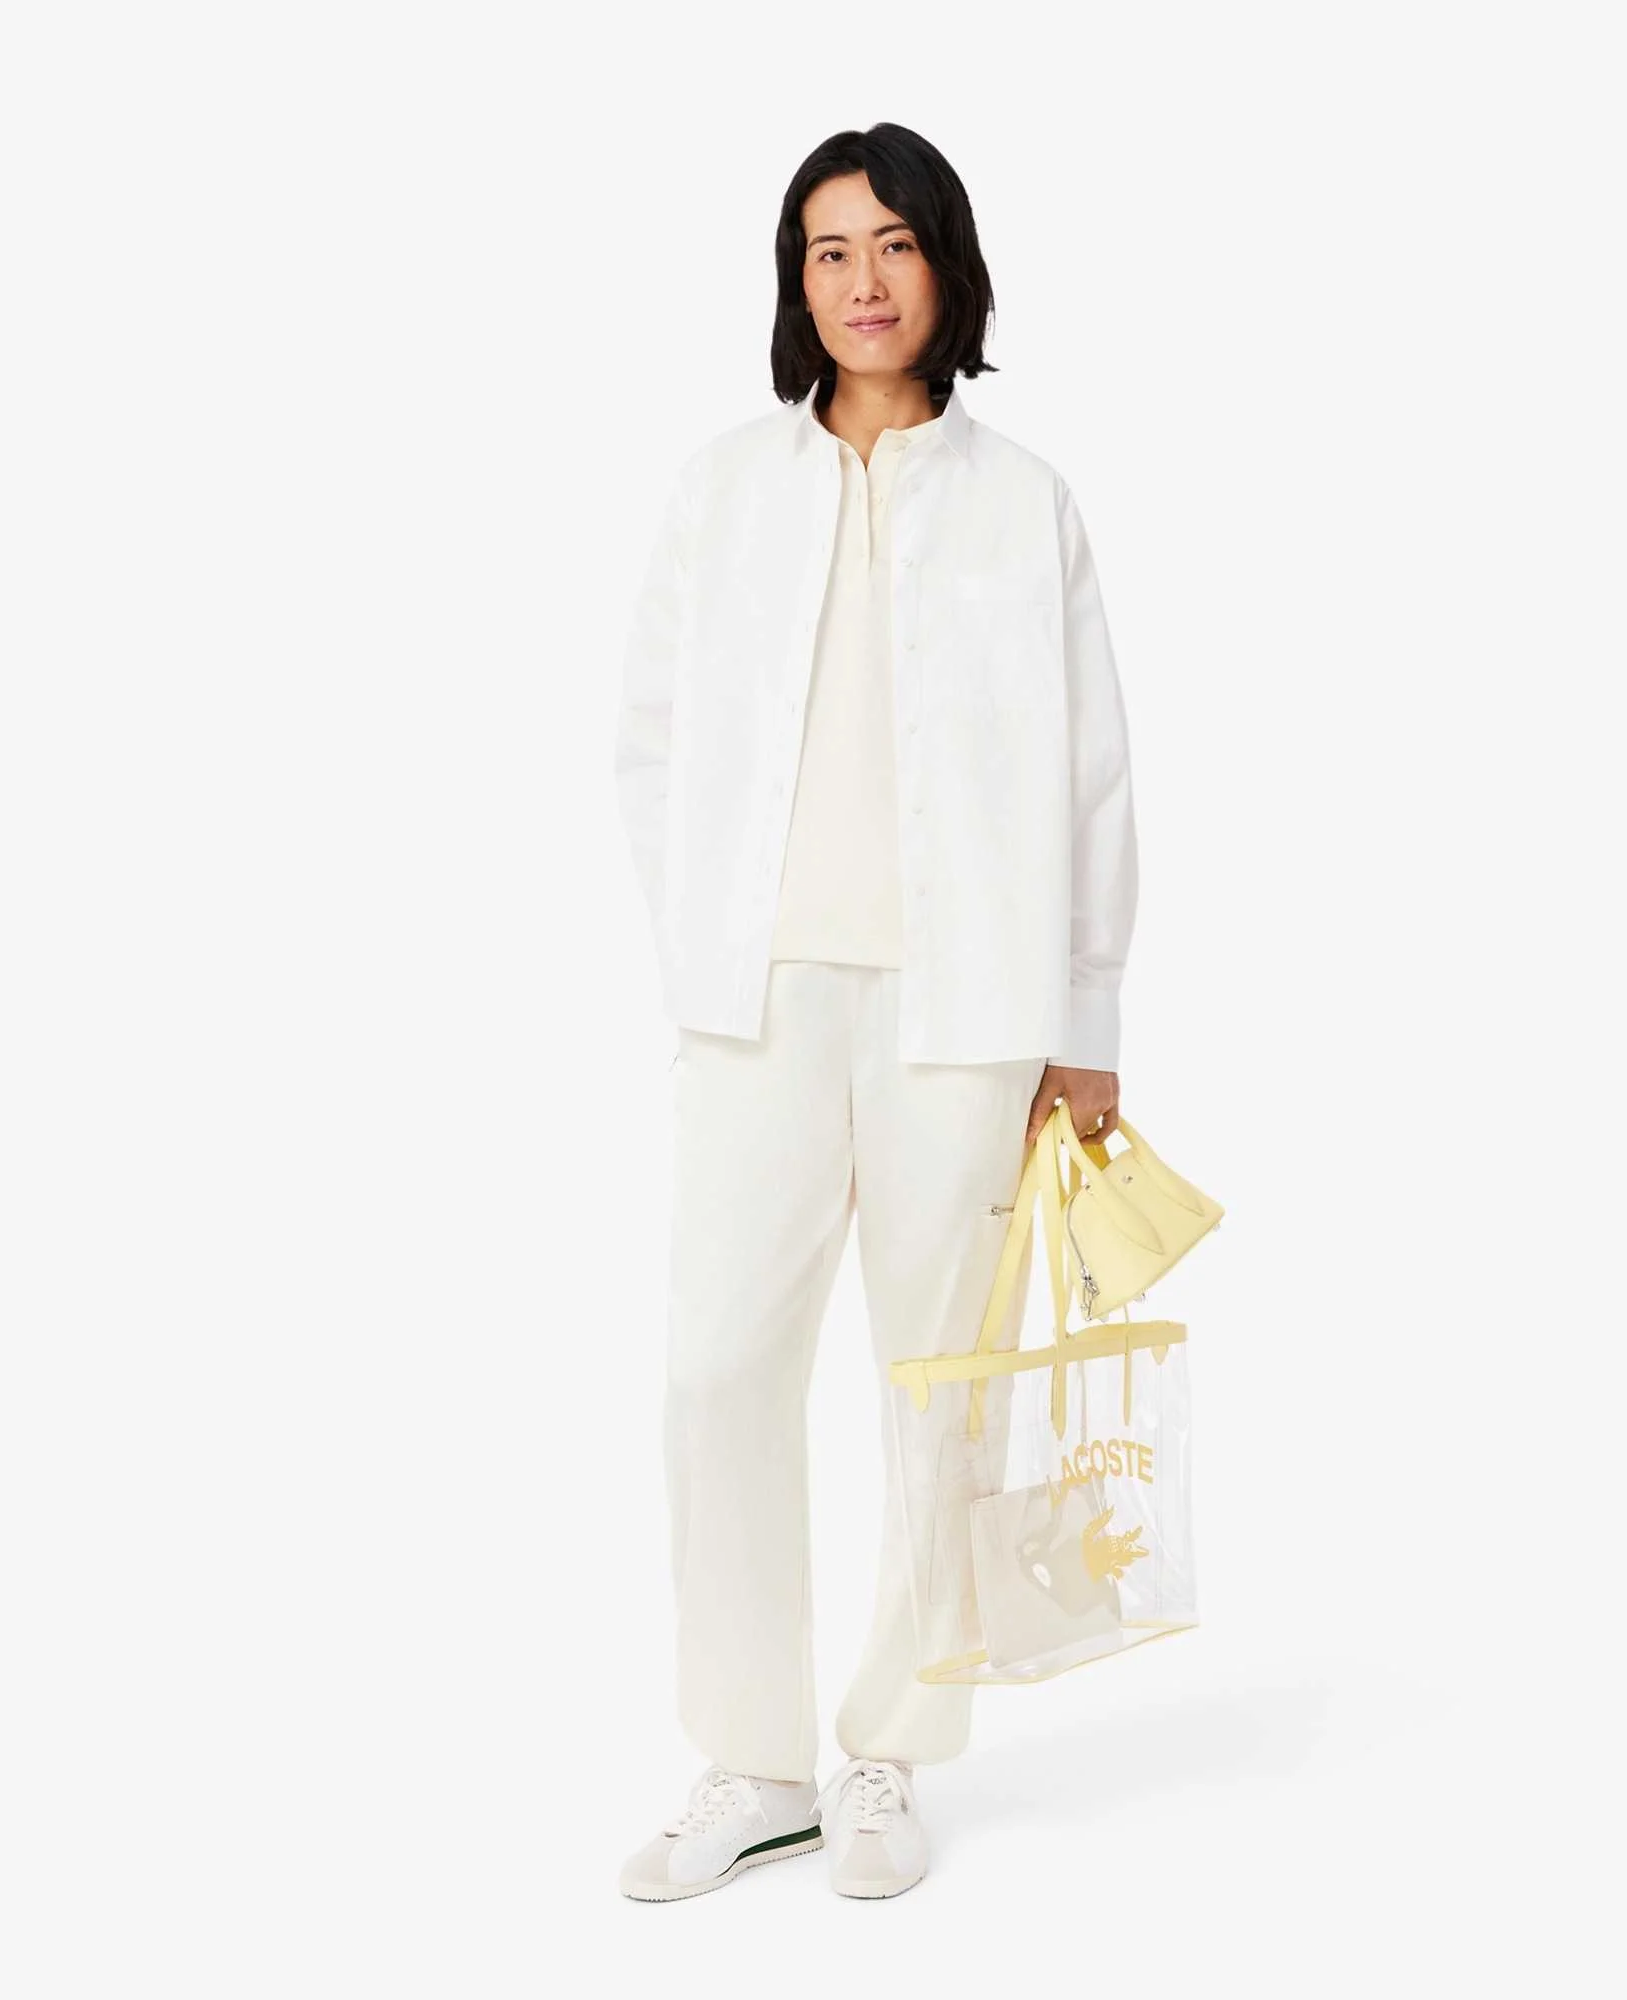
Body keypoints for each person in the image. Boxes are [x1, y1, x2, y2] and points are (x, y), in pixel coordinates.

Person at [610, 122, 1138, 1901]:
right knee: (715, 1374)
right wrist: (704, 938)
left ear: (947, 268)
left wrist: (1085, 1016)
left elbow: (1092, 773)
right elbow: (652, 743)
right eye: (828, 250)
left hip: (965, 1014)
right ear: (796, 281)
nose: (862, 281)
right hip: (758, 1009)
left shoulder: (1023, 501)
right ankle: (754, 1758)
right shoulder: (722, 490)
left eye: (894, 245)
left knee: (941, 1387)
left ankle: (888, 1755)